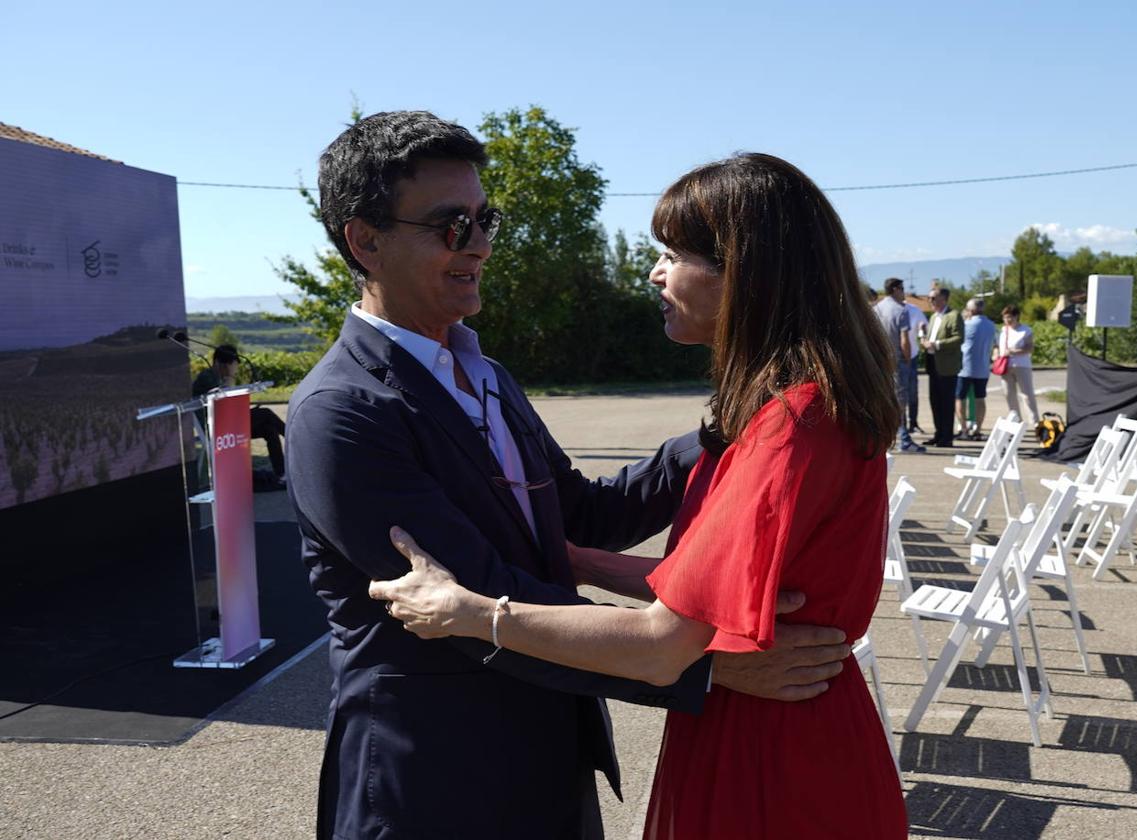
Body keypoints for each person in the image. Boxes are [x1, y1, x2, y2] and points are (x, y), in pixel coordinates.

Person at [284, 113, 850, 840]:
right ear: (364, 240)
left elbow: (580, 515)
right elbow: (470, 600)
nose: (481, 244)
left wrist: (719, 433)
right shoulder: (342, 413)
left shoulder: (482, 373)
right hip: (435, 780)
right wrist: (695, 666)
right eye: (452, 226)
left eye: (486, 218)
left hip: (547, 758)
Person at [192, 344, 286, 482]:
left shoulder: (221, 378)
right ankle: (294, 437)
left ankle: (281, 474)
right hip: (217, 429)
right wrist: (229, 381)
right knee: (265, 413)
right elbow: (222, 401)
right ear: (218, 362)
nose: (233, 368)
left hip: (227, 423)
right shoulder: (207, 377)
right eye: (229, 365)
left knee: (269, 429)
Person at [874, 277, 924, 453]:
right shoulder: (901, 310)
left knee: (886, 398)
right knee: (901, 399)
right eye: (902, 288)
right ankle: (903, 438)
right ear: (895, 289)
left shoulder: (877, 308)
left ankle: (889, 436)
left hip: (882, 361)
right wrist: (908, 358)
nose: (904, 292)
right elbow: (904, 341)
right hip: (898, 360)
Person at [921, 286, 963, 447]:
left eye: (933, 298)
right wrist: (925, 341)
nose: (930, 301)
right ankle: (938, 434)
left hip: (947, 366)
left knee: (946, 403)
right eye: (929, 298)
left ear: (944, 299)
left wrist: (936, 344)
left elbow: (959, 338)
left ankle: (947, 437)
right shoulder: (933, 317)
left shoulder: (954, 316)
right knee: (935, 401)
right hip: (933, 364)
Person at [956, 298, 996, 440]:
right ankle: (978, 429)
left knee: (960, 398)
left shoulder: (967, 324)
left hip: (965, 366)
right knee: (980, 398)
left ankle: (964, 429)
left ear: (971, 310)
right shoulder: (991, 325)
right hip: (983, 367)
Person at [995, 304, 1039, 423]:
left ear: (1016, 316)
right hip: (1006, 366)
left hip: (1022, 365)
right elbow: (997, 346)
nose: (1007, 320)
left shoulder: (1026, 330)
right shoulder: (1003, 330)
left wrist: (1015, 351)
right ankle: (1015, 420)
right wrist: (996, 354)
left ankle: (1035, 422)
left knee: (1027, 394)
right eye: (1005, 318)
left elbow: (1030, 348)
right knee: (1009, 395)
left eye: (1010, 317)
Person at [905, 296, 929, 433]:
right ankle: (899, 426)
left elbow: (923, 327)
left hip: (912, 356)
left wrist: (923, 333)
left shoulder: (914, 310)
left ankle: (912, 422)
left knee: (913, 393)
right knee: (897, 395)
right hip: (893, 357)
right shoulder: (885, 309)